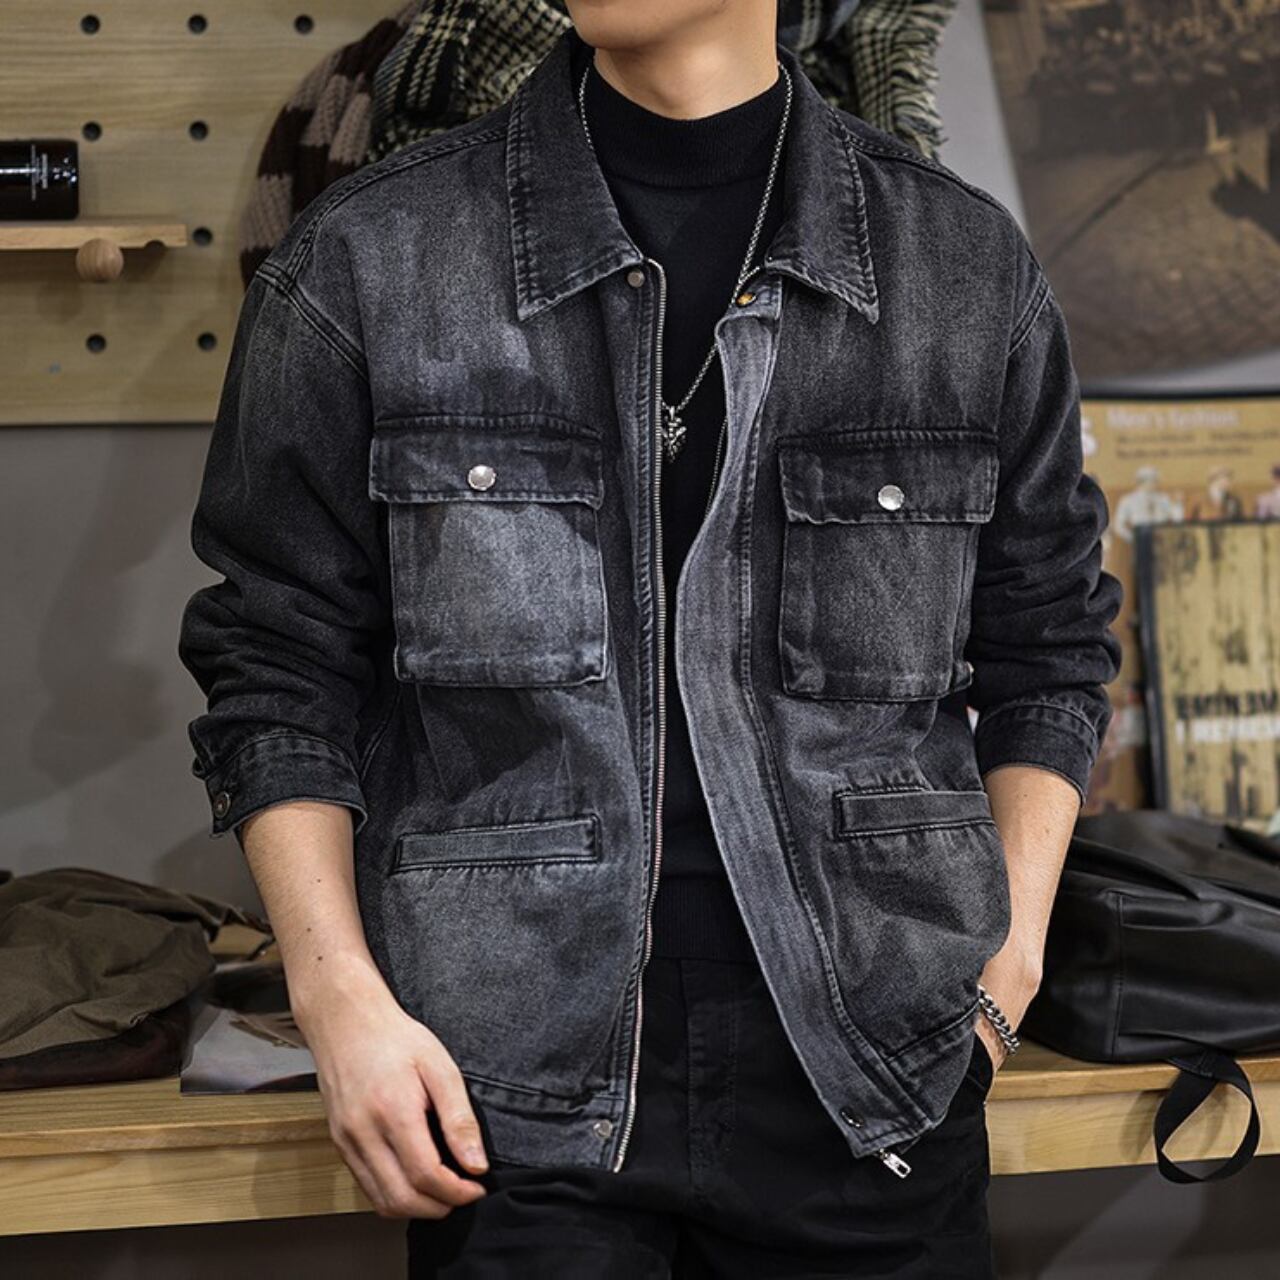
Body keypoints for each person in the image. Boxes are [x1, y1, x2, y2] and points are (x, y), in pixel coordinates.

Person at [178, 2, 1123, 1275]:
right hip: (505, 1090)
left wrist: (1006, 966)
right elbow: (276, 664)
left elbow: (1046, 641)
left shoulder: (957, 265)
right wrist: (335, 993)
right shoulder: (372, 256)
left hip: (869, 1080)